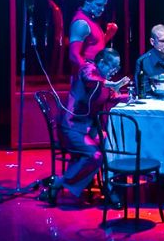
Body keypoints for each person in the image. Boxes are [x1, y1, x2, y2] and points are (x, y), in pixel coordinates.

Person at [41, 47, 130, 206]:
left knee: (113, 146)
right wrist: (110, 83)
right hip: (71, 126)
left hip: (89, 127)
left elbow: (112, 97)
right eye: (113, 67)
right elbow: (90, 78)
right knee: (95, 156)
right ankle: (59, 183)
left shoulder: (104, 80)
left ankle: (111, 187)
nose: (114, 71)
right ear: (101, 63)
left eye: (118, 68)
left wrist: (130, 97)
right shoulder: (88, 69)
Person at [68, 0, 118, 72]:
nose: (102, 9)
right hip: (84, 78)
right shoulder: (81, 23)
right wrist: (91, 73)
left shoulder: (91, 20)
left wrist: (108, 35)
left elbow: (94, 46)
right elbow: (73, 55)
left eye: (104, 5)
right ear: (87, 1)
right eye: (99, 5)